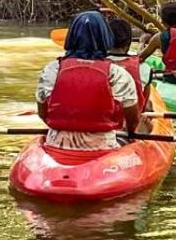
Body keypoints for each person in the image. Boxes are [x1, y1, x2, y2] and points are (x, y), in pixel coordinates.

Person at [36, 9, 141, 150]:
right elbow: (132, 122)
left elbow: (43, 114)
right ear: (106, 38)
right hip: (102, 146)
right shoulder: (117, 74)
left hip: (56, 144)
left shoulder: (52, 70)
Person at [106, 15, 149, 112]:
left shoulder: (97, 65)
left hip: (107, 121)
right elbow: (145, 106)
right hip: (134, 123)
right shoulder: (144, 67)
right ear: (129, 42)